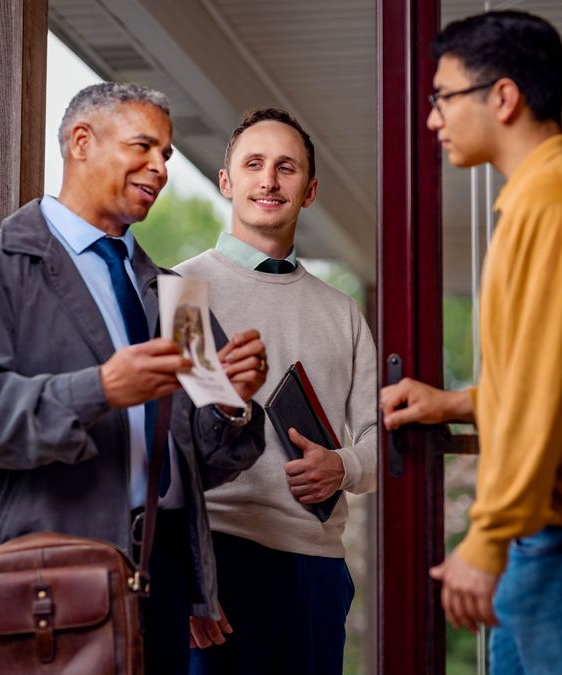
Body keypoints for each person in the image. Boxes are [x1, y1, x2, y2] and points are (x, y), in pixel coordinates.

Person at [0, 81, 269, 672]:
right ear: (82, 142)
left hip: (160, 565)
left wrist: (232, 406)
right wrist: (100, 389)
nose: (160, 168)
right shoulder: (1, 264)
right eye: (144, 147)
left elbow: (208, 463)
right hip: (54, 565)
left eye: (166, 154)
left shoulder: (175, 295)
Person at [379, 10, 562, 671]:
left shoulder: (550, 202)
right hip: (547, 542)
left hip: (560, 546)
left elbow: (539, 392)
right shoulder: (546, 194)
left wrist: (489, 536)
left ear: (503, 96)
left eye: (443, 97)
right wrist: (454, 403)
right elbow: (550, 370)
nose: (432, 118)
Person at [175, 108, 377, 675]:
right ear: (226, 181)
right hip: (216, 562)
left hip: (317, 570)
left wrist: (343, 465)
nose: (269, 180)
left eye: (286, 168)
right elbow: (165, 446)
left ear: (308, 191)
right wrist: (188, 576)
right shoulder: (180, 295)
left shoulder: (343, 314)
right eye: (254, 164)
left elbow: (379, 438)